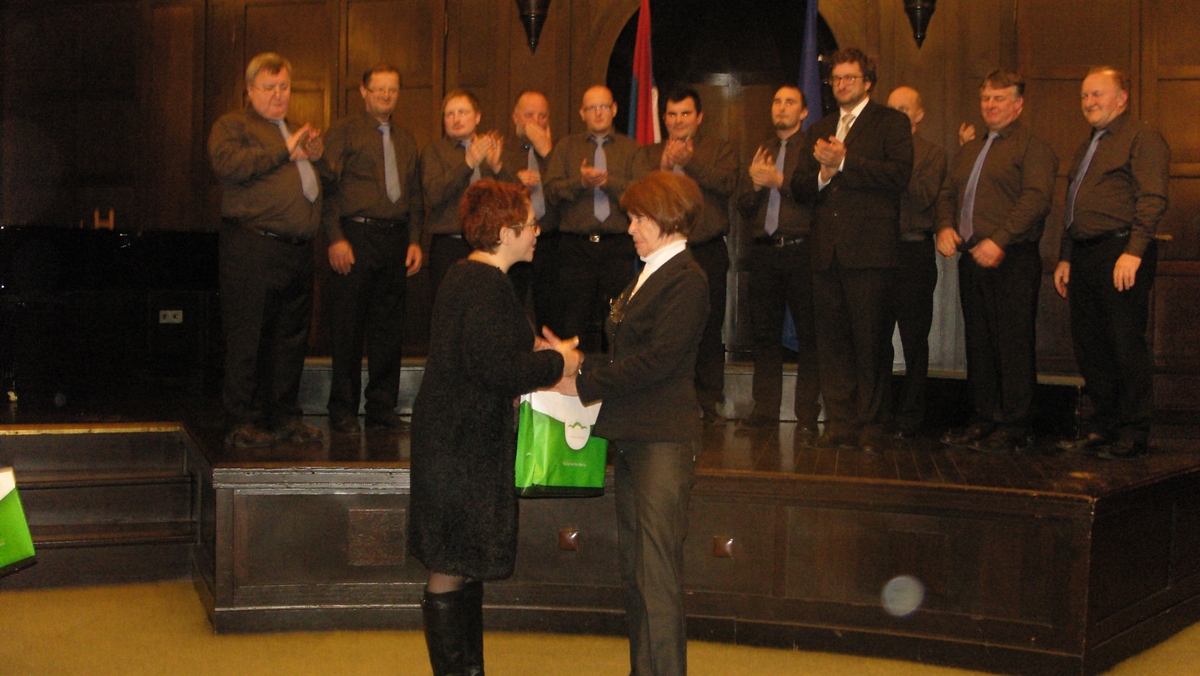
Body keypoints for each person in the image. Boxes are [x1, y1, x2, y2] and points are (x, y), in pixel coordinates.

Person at [408, 179, 582, 676]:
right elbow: (496, 370)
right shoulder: (484, 285)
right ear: (505, 233)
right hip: (460, 447)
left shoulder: (472, 277)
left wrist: (540, 354)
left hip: (460, 441)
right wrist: (559, 363)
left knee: (463, 563)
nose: (537, 231)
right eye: (529, 224)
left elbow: (488, 356)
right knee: (452, 563)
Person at [557, 171, 709, 676]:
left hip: (662, 441)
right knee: (637, 574)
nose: (630, 228)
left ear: (668, 217)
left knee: (656, 576)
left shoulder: (686, 277)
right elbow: (628, 356)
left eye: (640, 218)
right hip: (635, 438)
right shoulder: (648, 271)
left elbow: (657, 362)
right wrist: (574, 363)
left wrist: (582, 381)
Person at [792, 48, 913, 453]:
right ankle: (840, 423)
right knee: (833, 345)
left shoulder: (890, 122)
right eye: (836, 78)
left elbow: (898, 175)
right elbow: (800, 187)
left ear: (868, 83)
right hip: (826, 254)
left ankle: (872, 425)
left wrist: (845, 162)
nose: (841, 84)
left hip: (870, 254)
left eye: (849, 78)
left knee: (870, 343)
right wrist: (824, 175)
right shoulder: (820, 127)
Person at [208, 52, 326, 448]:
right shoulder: (233, 126)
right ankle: (239, 420)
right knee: (248, 337)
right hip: (252, 247)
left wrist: (318, 157)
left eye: (284, 87)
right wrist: (285, 150)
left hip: (297, 250)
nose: (279, 94)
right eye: (269, 87)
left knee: (290, 340)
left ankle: (283, 418)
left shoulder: (293, 130)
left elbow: (321, 184)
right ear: (249, 90)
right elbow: (228, 165)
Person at [936, 69, 1057, 453]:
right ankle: (984, 418)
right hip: (973, 259)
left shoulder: (1033, 147)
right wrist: (944, 226)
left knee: (1012, 344)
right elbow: (946, 193)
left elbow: (1036, 199)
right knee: (980, 344)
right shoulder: (969, 150)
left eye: (999, 98)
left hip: (1013, 258)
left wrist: (1000, 239)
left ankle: (1016, 424)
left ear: (1018, 105)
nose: (990, 105)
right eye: (986, 98)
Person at [1054, 67, 1169, 459]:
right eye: (1085, 96)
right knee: (1091, 346)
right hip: (1085, 254)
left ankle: (1133, 430)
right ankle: (1104, 426)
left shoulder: (1142, 137)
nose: (1089, 102)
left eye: (1097, 94)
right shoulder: (1089, 144)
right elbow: (1074, 205)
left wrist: (1134, 251)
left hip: (1121, 252)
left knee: (1124, 343)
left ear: (1121, 97)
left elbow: (1152, 198)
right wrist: (1066, 257)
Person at [321, 63, 424, 435]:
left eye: (392, 89)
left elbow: (415, 196)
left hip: (395, 238)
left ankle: (382, 406)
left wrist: (415, 239)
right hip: (355, 236)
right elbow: (327, 188)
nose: (385, 95)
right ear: (363, 91)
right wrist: (335, 237)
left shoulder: (407, 139)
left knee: (388, 329)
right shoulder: (344, 132)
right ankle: (342, 408)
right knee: (348, 327)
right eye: (378, 88)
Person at [636, 88, 737, 423]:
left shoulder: (718, 149)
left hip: (705, 250)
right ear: (663, 118)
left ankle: (708, 401)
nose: (678, 121)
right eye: (671, 114)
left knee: (708, 328)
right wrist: (664, 167)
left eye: (685, 114)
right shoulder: (650, 153)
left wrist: (689, 162)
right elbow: (636, 195)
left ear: (699, 117)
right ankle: (665, 400)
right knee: (662, 329)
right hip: (660, 256)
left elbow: (727, 184)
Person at [736, 85, 822, 432]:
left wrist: (778, 180)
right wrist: (757, 187)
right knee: (764, 335)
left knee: (810, 336)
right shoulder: (763, 150)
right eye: (776, 102)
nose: (781, 108)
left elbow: (814, 195)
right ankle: (765, 411)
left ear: (804, 112)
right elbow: (743, 207)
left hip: (801, 250)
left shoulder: (811, 150)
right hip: (764, 252)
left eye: (789, 102)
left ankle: (807, 415)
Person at [543, 85, 640, 353]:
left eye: (604, 107)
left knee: (618, 319)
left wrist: (608, 182)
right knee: (574, 319)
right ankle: (575, 375)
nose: (598, 113)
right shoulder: (566, 147)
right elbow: (551, 191)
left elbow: (641, 192)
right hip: (575, 248)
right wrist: (581, 183)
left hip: (617, 246)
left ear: (615, 110)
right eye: (592, 108)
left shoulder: (631, 149)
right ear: (582, 113)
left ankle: (615, 374)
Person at [886, 86, 947, 438]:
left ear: (919, 116)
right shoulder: (875, 153)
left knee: (913, 339)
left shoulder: (932, 154)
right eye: (892, 109)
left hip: (914, 253)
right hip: (879, 253)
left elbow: (923, 197)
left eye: (904, 109)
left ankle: (910, 417)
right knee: (875, 337)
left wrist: (896, 165)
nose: (897, 115)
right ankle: (878, 412)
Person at [421, 89, 503, 295]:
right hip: (450, 243)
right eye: (450, 114)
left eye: (463, 112)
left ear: (477, 117)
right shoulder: (434, 152)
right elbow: (433, 195)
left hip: (489, 244)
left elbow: (513, 199)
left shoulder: (492, 148)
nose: (456, 119)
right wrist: (468, 164)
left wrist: (497, 168)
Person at [497, 90, 562, 333]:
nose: (535, 122)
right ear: (515, 117)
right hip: (513, 242)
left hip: (550, 241)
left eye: (542, 116)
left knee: (551, 313)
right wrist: (513, 180)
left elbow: (563, 193)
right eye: (529, 115)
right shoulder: (502, 151)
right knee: (512, 311)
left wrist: (548, 153)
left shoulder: (560, 152)